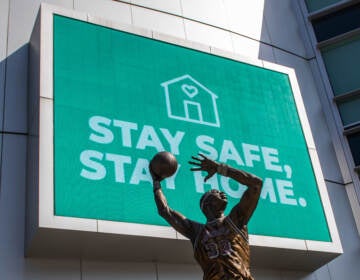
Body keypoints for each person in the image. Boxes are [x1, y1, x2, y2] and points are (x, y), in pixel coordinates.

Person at [150, 153, 263, 280]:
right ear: (207, 204)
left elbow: (256, 184)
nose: (220, 192)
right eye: (213, 192)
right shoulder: (198, 232)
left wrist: (220, 168)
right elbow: (166, 211)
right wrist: (156, 183)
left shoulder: (236, 220)